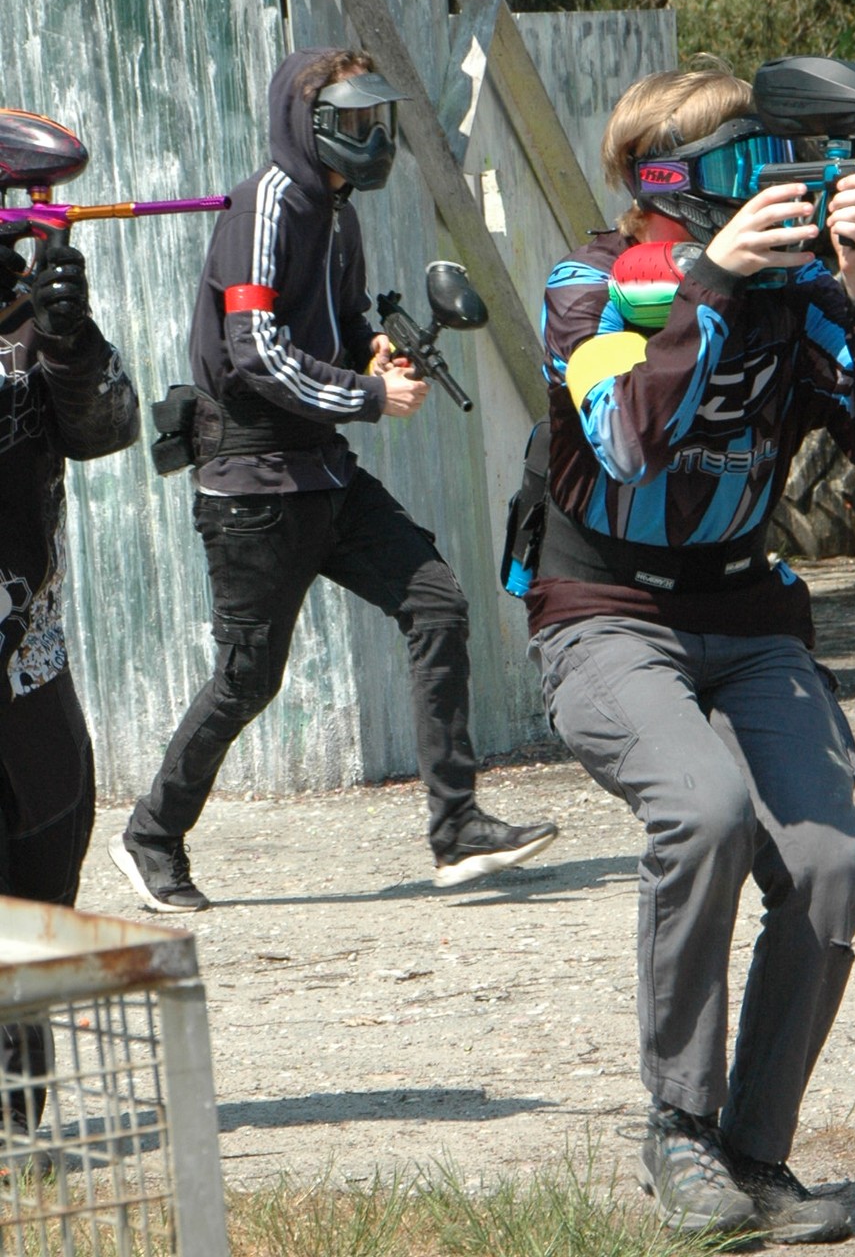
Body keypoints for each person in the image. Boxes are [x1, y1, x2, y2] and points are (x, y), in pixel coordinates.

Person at [527, 62, 855, 1242]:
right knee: (702, 810)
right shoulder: (590, 287)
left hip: (748, 618)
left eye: (779, 159)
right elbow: (625, 442)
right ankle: (679, 1128)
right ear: (661, 177)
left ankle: (753, 1155)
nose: (772, 184)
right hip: (604, 611)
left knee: (826, 866)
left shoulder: (797, 294)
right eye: (740, 163)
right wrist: (708, 285)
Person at [109, 46, 557, 914]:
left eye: (374, 120)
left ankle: (457, 826)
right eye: (350, 121)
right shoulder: (265, 208)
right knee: (248, 678)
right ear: (306, 125)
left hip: (321, 471)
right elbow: (256, 352)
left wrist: (373, 350)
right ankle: (152, 836)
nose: (370, 137)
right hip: (252, 482)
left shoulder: (339, 216)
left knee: (436, 604)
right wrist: (369, 394)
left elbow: (341, 323)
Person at [1, 211, 140, 1128]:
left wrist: (70, 338)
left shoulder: (26, 320)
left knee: (46, 868)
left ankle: (17, 1109)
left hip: (28, 658)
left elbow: (109, 427)